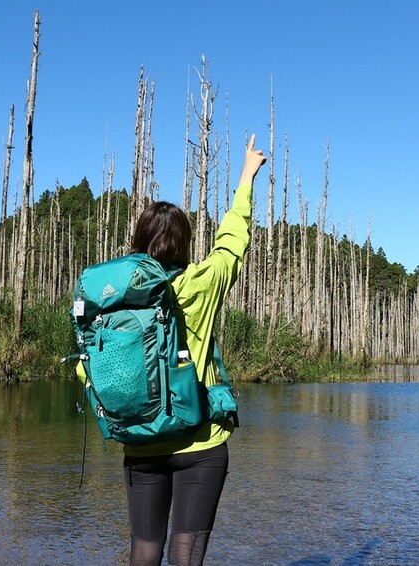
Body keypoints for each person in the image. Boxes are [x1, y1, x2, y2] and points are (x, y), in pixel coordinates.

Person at [121, 134, 267, 566]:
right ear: (183, 245)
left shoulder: (115, 299)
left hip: (140, 444)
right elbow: (231, 242)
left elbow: (86, 367)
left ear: (139, 241)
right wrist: (246, 176)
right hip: (201, 442)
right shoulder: (200, 284)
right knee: (187, 554)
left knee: (144, 551)